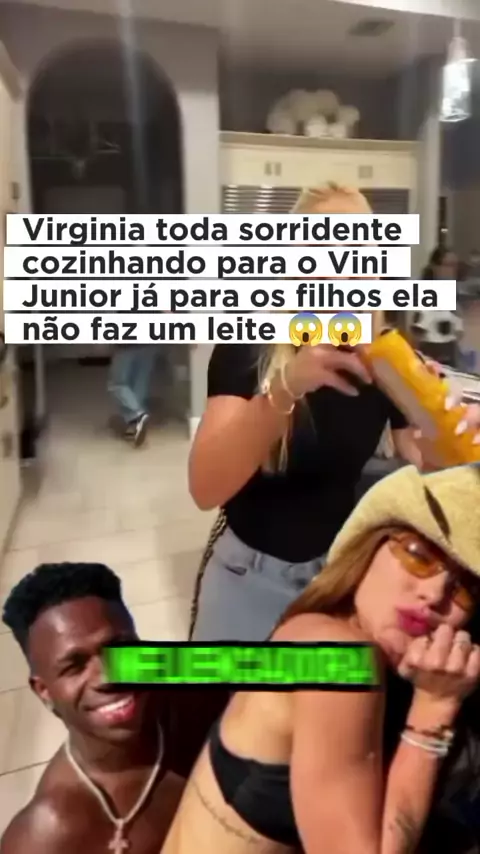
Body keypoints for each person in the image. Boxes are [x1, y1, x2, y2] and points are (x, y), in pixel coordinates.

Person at [188, 185, 480, 643]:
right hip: (249, 578)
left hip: (338, 576)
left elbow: (424, 462)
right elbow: (206, 488)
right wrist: (287, 388)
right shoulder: (249, 347)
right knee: (225, 692)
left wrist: (447, 426)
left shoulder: (382, 359)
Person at [161, 462, 480, 854]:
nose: (435, 593)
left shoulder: (327, 631)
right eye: (419, 556)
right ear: (370, 547)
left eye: (465, 588)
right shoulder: (337, 656)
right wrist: (434, 708)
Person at [0, 563, 228, 854]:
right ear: (44, 691)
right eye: (74, 666)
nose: (108, 677)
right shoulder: (45, 836)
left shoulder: (191, 684)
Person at [411, 246, 463, 367]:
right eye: (448, 265)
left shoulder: (453, 293)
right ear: (435, 267)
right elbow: (417, 332)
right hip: (431, 354)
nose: (452, 270)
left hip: (450, 352)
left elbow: (458, 331)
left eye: (455, 265)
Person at [108, 345, 157, 446]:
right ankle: (135, 425)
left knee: (117, 385)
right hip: (149, 346)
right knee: (139, 384)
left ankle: (138, 414)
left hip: (126, 346)